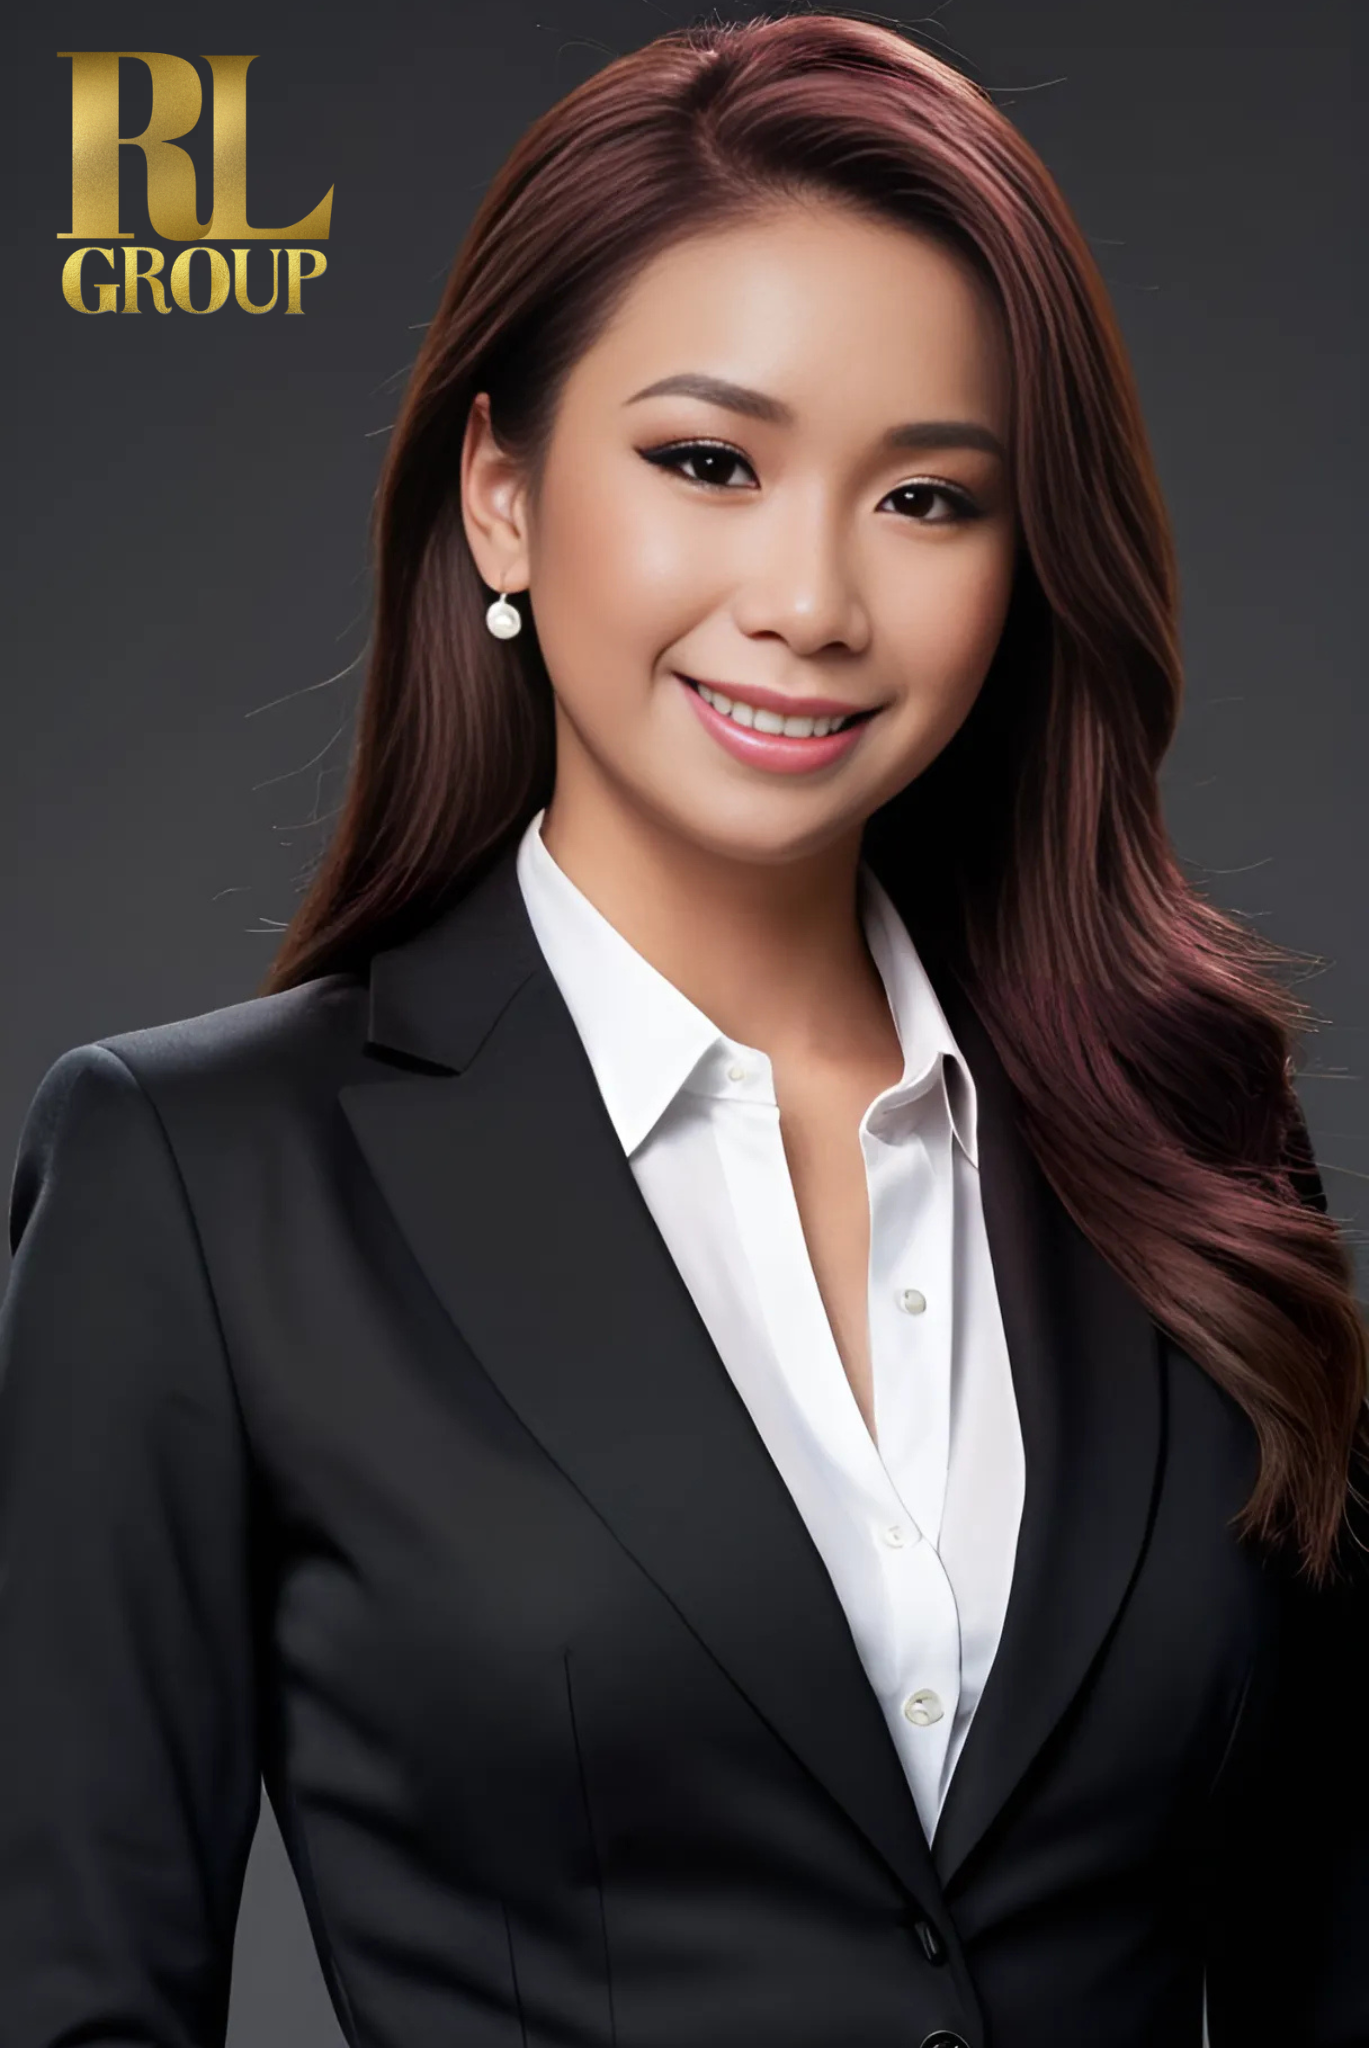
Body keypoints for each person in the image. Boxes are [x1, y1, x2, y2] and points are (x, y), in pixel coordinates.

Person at [1, 14, 1364, 2048]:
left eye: (929, 497)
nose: (812, 599)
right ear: (501, 495)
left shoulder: (1190, 1130)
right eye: (709, 462)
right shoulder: (201, 1187)